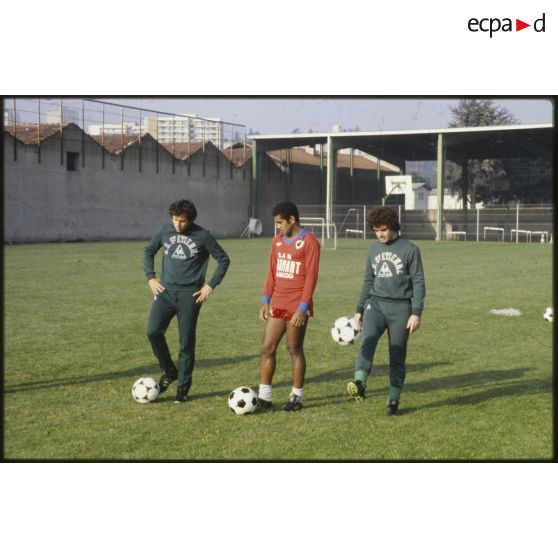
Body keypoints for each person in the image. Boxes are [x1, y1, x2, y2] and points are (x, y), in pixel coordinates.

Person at [144, 199, 230, 403]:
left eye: (182, 221)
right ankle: (169, 371)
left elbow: (224, 259)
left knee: (186, 343)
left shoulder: (203, 236)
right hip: (165, 292)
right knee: (153, 332)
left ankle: (183, 388)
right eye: (175, 220)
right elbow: (148, 251)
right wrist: (151, 277)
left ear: (190, 220)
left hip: (190, 296)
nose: (178, 224)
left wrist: (210, 285)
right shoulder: (164, 231)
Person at [346, 206, 425, 416]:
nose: (379, 234)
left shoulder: (410, 250)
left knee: (397, 354)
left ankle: (393, 400)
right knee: (368, 339)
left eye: (383, 229)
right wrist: (359, 309)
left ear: (393, 226)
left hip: (401, 309)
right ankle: (360, 383)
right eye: (375, 230)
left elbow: (418, 282)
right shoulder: (373, 250)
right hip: (376, 305)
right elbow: (368, 280)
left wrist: (416, 312)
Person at [258, 201, 321, 412]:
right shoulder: (276, 242)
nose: (277, 227)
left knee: (294, 348)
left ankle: (297, 397)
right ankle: (264, 396)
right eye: (276, 223)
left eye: (280, 222)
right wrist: (266, 301)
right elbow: (271, 272)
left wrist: (303, 309)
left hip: (297, 306)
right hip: (277, 302)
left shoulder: (310, 241)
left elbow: (311, 278)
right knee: (267, 348)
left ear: (292, 220)